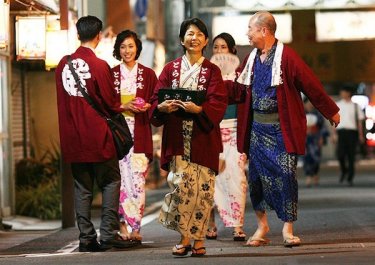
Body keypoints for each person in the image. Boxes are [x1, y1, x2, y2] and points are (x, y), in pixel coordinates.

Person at [226, 11, 340, 247]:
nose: (247, 33)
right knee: (256, 180)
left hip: (280, 131)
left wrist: (330, 110)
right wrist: (211, 90)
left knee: (286, 177)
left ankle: (288, 229)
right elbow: (238, 89)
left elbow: (310, 83)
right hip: (257, 131)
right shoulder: (251, 59)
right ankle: (262, 226)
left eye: (250, 29)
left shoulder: (287, 57)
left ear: (264, 31)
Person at [55, 15, 139, 252]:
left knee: (82, 187)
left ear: (78, 34)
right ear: (99, 35)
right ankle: (109, 234)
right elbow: (111, 103)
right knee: (111, 181)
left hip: (73, 137)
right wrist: (126, 105)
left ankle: (86, 238)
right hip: (98, 136)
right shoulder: (100, 66)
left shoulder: (63, 64)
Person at [149, 18, 227, 257]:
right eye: (189, 34)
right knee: (182, 189)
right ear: (182, 39)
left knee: (203, 192)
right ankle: (185, 237)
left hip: (202, 138)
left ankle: (199, 239)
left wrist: (200, 110)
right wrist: (162, 108)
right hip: (177, 139)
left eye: (199, 34)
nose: (194, 38)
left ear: (205, 40)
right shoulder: (170, 69)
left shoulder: (212, 71)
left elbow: (219, 101)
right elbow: (156, 99)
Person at [111, 30, 157, 242]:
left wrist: (148, 105)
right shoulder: (111, 74)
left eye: (130, 46)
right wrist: (123, 105)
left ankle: (136, 227)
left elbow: (156, 99)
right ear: (117, 50)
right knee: (120, 180)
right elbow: (106, 104)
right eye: (123, 47)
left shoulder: (147, 74)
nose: (127, 50)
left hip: (140, 131)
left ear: (137, 47)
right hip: (119, 132)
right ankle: (122, 226)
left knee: (137, 180)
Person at [205, 33, 247, 241]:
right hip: (211, 131)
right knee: (211, 178)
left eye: (224, 47)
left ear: (232, 50)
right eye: (216, 47)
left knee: (236, 178)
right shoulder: (206, 74)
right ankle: (210, 222)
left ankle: (237, 225)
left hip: (235, 131)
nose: (220, 51)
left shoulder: (241, 74)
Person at [332, 86, 365, 186]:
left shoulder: (355, 106)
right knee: (340, 154)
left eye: (344, 92)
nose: (342, 94)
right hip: (341, 132)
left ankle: (350, 177)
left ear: (348, 93)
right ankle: (344, 170)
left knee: (351, 155)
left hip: (352, 133)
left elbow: (359, 122)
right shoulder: (338, 105)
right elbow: (334, 120)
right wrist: (334, 134)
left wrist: (361, 135)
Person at [303, 99, 329, 187]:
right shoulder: (301, 113)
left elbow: (322, 127)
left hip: (315, 139)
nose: (310, 105)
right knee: (306, 158)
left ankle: (315, 173)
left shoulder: (318, 114)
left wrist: (322, 137)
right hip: (305, 139)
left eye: (311, 103)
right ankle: (308, 176)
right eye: (308, 103)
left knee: (316, 158)